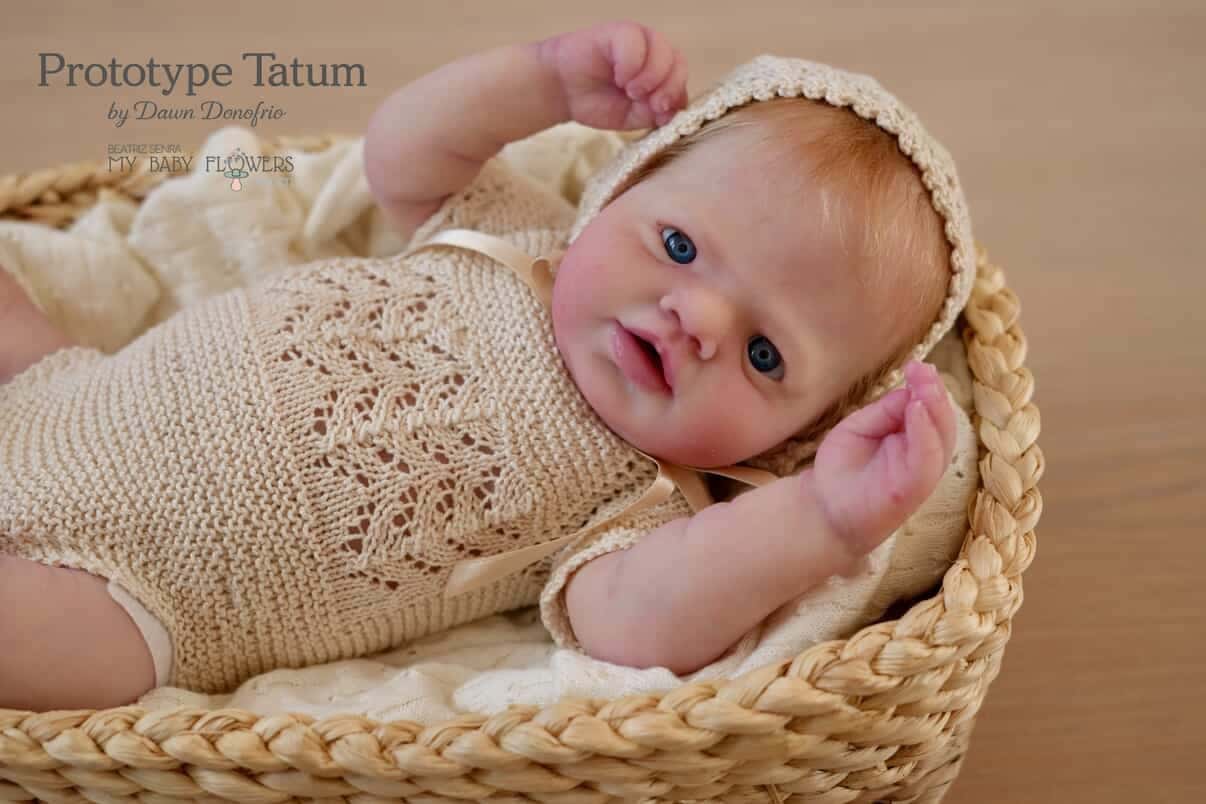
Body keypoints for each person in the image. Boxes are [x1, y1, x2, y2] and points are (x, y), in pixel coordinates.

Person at [0, 21, 975, 710]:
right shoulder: (517, 241)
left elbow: (633, 625)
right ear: (616, 191)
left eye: (765, 354)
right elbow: (402, 155)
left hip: (133, 601)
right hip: (64, 389)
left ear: (799, 432)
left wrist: (820, 518)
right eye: (679, 246)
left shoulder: (650, 500)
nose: (696, 319)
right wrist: (543, 80)